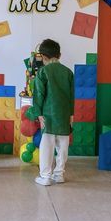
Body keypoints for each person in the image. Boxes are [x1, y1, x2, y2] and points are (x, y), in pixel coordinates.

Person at [33, 39, 74, 186]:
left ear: (43, 57)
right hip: (64, 114)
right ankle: (59, 174)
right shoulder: (68, 72)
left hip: (48, 115)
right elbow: (71, 95)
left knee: (47, 145)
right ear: (60, 55)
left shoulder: (43, 72)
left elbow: (39, 94)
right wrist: (71, 115)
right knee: (63, 145)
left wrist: (38, 113)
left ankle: (45, 176)